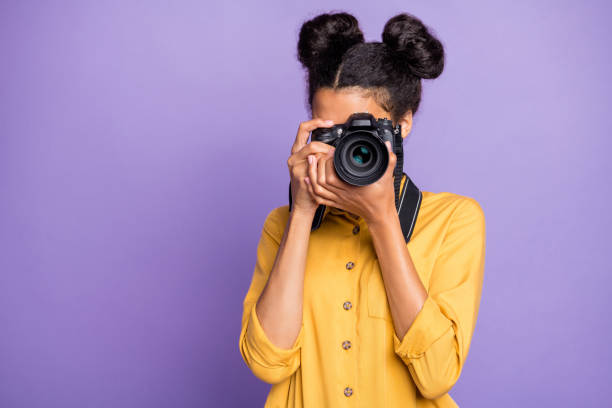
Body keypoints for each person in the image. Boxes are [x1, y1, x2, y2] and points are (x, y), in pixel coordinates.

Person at [238, 11, 486, 407]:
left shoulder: (454, 220)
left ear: (403, 124)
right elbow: (268, 364)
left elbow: (437, 375)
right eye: (330, 133)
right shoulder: (282, 223)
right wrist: (301, 213)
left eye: (361, 133)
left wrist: (382, 218)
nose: (344, 150)